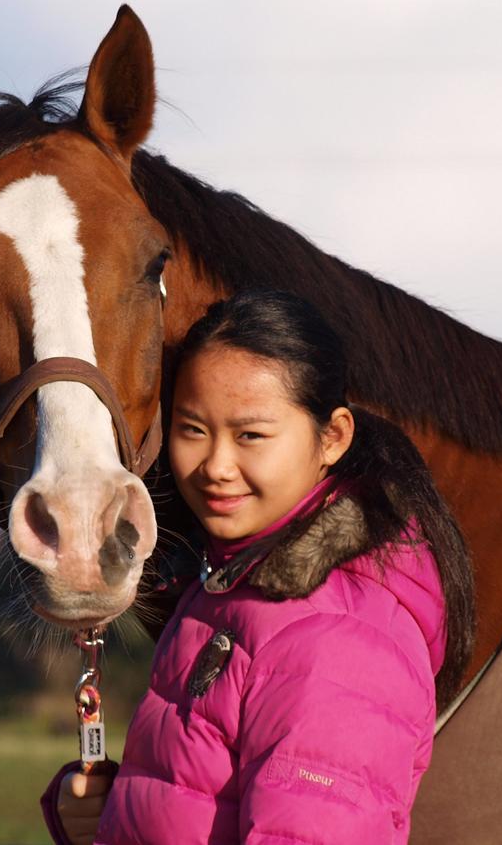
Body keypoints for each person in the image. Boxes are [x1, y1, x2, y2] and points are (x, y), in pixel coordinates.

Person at [42, 290, 475, 844]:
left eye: (251, 436)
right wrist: (103, 820)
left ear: (333, 437)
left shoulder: (338, 640)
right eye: (193, 430)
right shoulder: (227, 589)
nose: (217, 466)